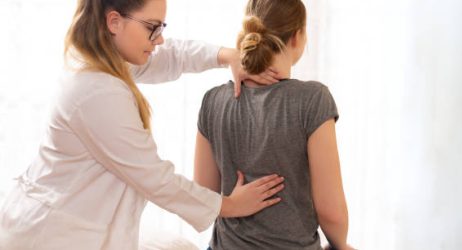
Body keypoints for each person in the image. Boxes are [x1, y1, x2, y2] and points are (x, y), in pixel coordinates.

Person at [0, 0, 286, 249]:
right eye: (152, 27)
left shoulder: (102, 59)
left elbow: (171, 55)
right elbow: (155, 178)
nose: (159, 39)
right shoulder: (97, 90)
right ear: (114, 21)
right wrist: (230, 205)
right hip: (52, 236)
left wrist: (227, 56)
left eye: (161, 27)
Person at [194, 0, 354, 249]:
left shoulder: (212, 100)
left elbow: (203, 198)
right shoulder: (313, 100)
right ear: (297, 37)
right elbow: (331, 212)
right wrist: (341, 245)